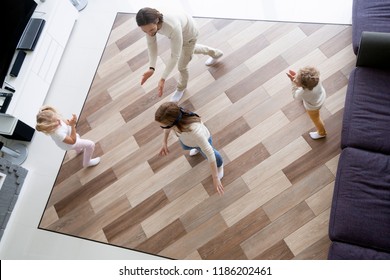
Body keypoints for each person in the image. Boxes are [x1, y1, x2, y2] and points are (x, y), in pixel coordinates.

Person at [136, 7, 224, 102]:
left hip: (189, 36)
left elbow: (174, 56)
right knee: (189, 51)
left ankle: (181, 88)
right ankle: (216, 53)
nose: (149, 34)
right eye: (145, 31)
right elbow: (151, 44)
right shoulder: (149, 25)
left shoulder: (172, 27)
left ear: (157, 20)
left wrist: (163, 78)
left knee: (182, 66)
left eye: (151, 30)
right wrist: (151, 68)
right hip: (182, 30)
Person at [155, 102, 224, 195]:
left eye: (162, 125)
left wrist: (215, 177)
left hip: (201, 141)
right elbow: (167, 128)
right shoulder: (176, 118)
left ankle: (219, 165)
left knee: (214, 155)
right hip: (188, 140)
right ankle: (197, 148)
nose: (162, 127)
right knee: (186, 146)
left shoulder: (195, 131)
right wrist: (164, 142)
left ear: (172, 124)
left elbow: (210, 153)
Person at [35, 105, 100, 168]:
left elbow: (65, 122)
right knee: (91, 145)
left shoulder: (56, 120)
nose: (59, 120)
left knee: (77, 137)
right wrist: (72, 126)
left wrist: (71, 122)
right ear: (50, 128)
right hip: (70, 144)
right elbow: (72, 141)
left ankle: (79, 150)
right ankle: (87, 163)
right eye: (56, 122)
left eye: (57, 118)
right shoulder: (58, 134)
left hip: (69, 137)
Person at [287, 66, 327, 140]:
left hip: (313, 107)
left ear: (302, 86)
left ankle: (322, 133)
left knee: (316, 119)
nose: (295, 78)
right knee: (307, 95)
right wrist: (299, 80)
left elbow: (295, 96)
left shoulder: (302, 92)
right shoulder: (316, 79)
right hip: (321, 95)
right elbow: (305, 85)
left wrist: (293, 82)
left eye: (297, 78)